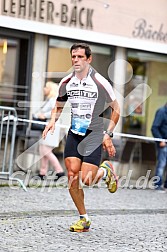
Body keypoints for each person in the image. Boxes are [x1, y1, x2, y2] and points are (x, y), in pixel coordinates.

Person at [42, 43, 120, 232]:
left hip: (93, 134)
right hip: (74, 132)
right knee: (71, 175)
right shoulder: (67, 82)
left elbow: (116, 109)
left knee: (87, 179)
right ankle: (83, 218)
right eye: (73, 57)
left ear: (89, 59)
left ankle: (105, 171)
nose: (76, 60)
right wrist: (52, 120)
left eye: (80, 57)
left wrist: (108, 134)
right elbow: (59, 104)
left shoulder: (100, 82)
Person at [33, 81, 65, 180]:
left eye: (46, 87)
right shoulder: (50, 99)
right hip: (49, 127)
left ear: (50, 89)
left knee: (46, 150)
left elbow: (55, 112)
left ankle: (60, 171)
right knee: (43, 149)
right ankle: (43, 172)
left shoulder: (53, 100)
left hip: (51, 127)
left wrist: (43, 115)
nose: (44, 89)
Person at [151, 103, 167, 191]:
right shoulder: (161, 112)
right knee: (161, 164)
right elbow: (154, 128)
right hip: (163, 143)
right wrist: (161, 140)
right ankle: (158, 185)